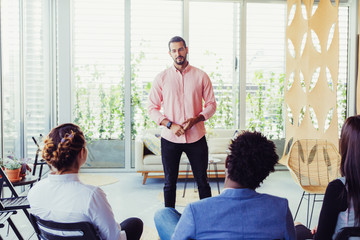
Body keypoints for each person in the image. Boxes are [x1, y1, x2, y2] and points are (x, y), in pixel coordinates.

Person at [154, 131, 296, 240]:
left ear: (227, 162)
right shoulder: (280, 208)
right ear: (265, 173)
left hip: (196, 221)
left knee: (163, 214)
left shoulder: (195, 210)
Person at [27, 123, 143, 240]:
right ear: (82, 153)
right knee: (134, 224)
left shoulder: (35, 191)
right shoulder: (92, 195)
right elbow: (113, 237)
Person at [148, 36, 217, 208]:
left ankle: (206, 220)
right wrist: (170, 124)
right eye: (174, 50)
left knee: (202, 181)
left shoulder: (201, 76)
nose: (178, 53)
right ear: (169, 53)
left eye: (180, 49)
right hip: (170, 139)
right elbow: (152, 108)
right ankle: (169, 219)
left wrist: (197, 119)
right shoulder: (161, 78)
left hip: (197, 137)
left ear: (187, 49)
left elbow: (211, 105)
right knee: (169, 183)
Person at [296, 115, 360, 240]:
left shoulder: (338, 189)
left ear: (345, 147)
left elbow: (322, 237)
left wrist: (321, 230)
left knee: (297, 228)